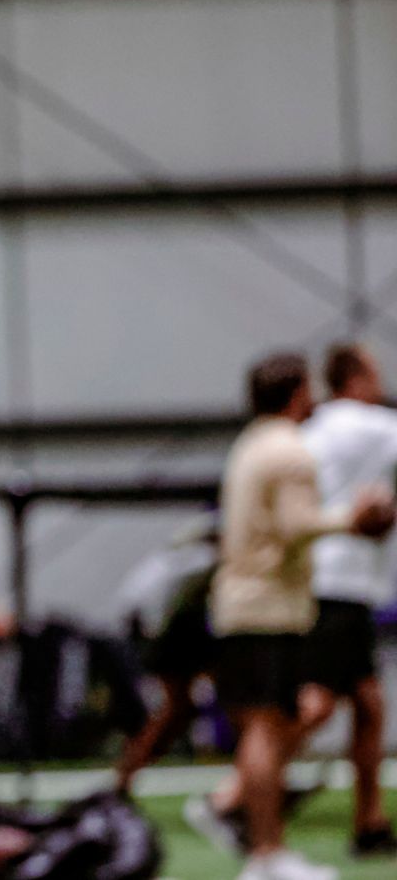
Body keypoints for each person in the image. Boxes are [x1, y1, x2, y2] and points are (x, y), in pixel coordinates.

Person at [205, 352, 394, 880]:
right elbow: (296, 525)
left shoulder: (252, 443)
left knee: (279, 720)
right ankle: (262, 848)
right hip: (268, 605)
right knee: (268, 728)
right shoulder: (289, 450)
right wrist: (353, 520)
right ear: (297, 393)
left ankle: (265, 846)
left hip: (249, 602)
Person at [298, 342, 397, 857]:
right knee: (317, 703)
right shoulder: (373, 424)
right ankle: (239, 794)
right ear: (354, 379)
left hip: (320, 579)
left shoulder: (310, 431)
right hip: (343, 584)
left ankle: (369, 823)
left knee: (367, 704)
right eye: (376, 373)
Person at [112, 517, 219, 796]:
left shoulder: (170, 561)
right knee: (173, 710)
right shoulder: (197, 560)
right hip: (167, 634)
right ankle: (126, 774)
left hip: (163, 631)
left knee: (178, 710)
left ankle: (127, 773)